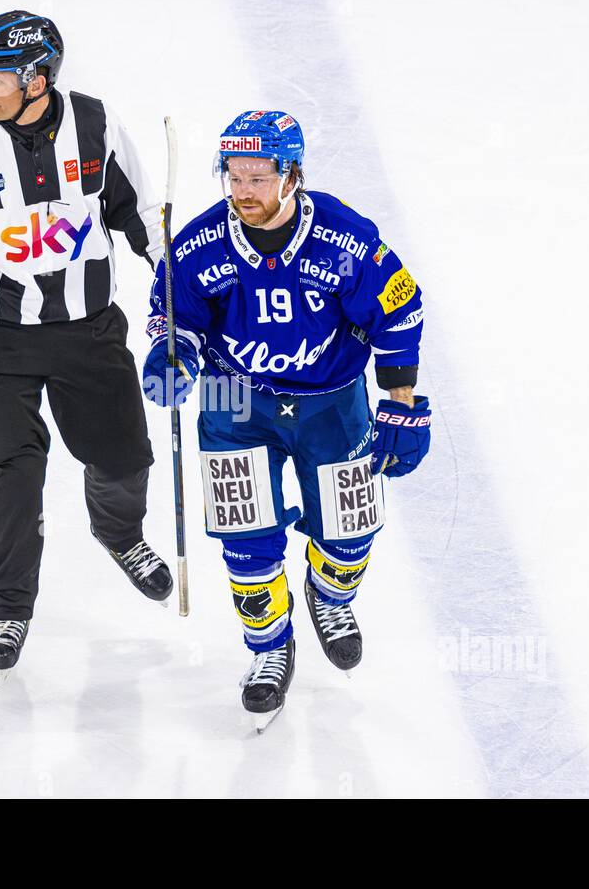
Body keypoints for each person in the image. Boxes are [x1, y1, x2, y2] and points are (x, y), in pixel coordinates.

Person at [0, 9, 172, 682]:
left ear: (36, 77)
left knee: (124, 455)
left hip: (87, 332)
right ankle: (10, 608)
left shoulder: (97, 126)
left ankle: (120, 534)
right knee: (13, 473)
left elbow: (141, 213)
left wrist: (175, 276)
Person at [141, 110, 431, 723]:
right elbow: (175, 312)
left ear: (291, 173)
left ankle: (329, 594)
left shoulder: (344, 239)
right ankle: (269, 650)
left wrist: (400, 401)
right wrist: (173, 355)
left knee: (350, 532)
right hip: (233, 396)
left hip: (332, 395)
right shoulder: (199, 243)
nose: (243, 192)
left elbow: (400, 310)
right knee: (245, 538)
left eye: (257, 178)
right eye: (233, 178)